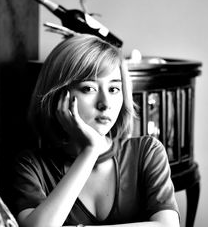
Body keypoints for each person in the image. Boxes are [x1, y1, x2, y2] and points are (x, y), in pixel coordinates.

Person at [13, 34, 180, 227]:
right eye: (88, 89)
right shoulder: (31, 166)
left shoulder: (147, 152)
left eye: (114, 89)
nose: (105, 103)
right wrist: (90, 151)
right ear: (59, 97)